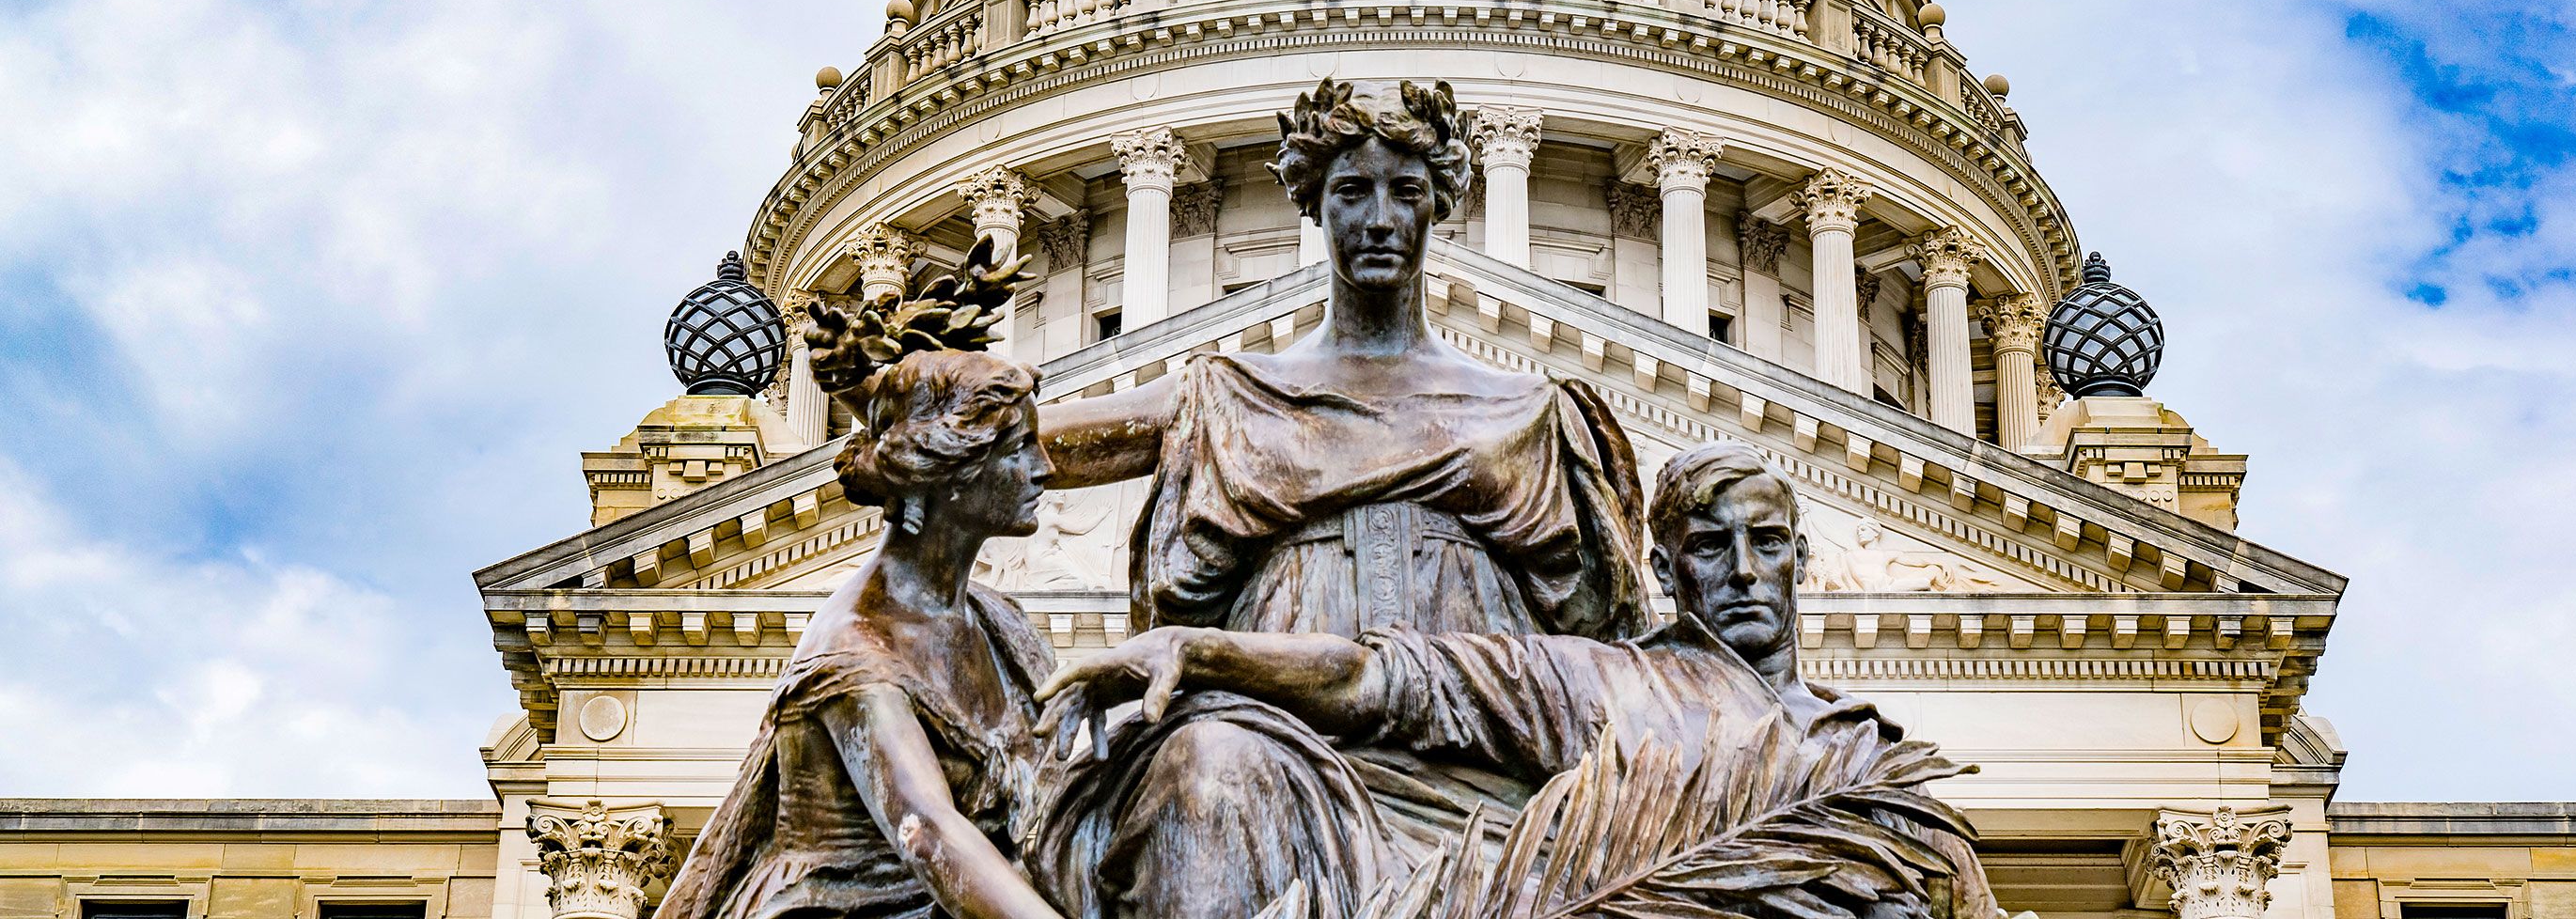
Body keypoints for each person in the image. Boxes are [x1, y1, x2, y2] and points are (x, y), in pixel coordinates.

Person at [1022, 80, 1650, 919]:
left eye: (1407, 192)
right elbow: (1023, 445)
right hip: (1262, 731)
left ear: (1442, 207)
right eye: (1353, 191)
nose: (1381, 219)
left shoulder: (1531, 414)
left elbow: (1615, 653)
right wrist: (927, 409)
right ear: (1312, 206)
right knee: (1206, 775)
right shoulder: (1233, 397)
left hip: (1477, 745)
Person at [1034, 444, 2006, 919]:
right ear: (1666, 571)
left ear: (1805, 558)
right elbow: (1390, 672)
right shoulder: (1612, 683)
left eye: (1766, 545)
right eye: (1711, 546)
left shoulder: (1873, 759)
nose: (1744, 570)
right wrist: (1202, 649)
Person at [657, 308, 1065, 919]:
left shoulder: (1003, 621)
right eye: (1019, 449)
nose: (1048, 469)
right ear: (951, 469)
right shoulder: (855, 651)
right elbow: (928, 831)